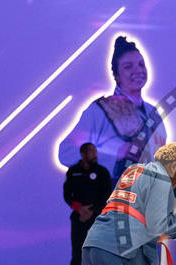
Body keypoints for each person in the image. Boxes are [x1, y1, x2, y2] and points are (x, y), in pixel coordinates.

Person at [58, 35, 166, 189]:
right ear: (116, 76)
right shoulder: (99, 110)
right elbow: (66, 152)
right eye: (128, 66)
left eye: (141, 64)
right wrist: (115, 153)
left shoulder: (153, 113)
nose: (138, 70)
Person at [60, 143, 111, 265]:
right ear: (83, 154)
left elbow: (106, 194)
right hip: (79, 216)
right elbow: (67, 194)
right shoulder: (73, 171)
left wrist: (92, 210)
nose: (95, 155)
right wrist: (79, 209)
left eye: (95, 152)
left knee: (101, 252)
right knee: (77, 251)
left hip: (99, 217)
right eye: (91, 152)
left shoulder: (102, 172)